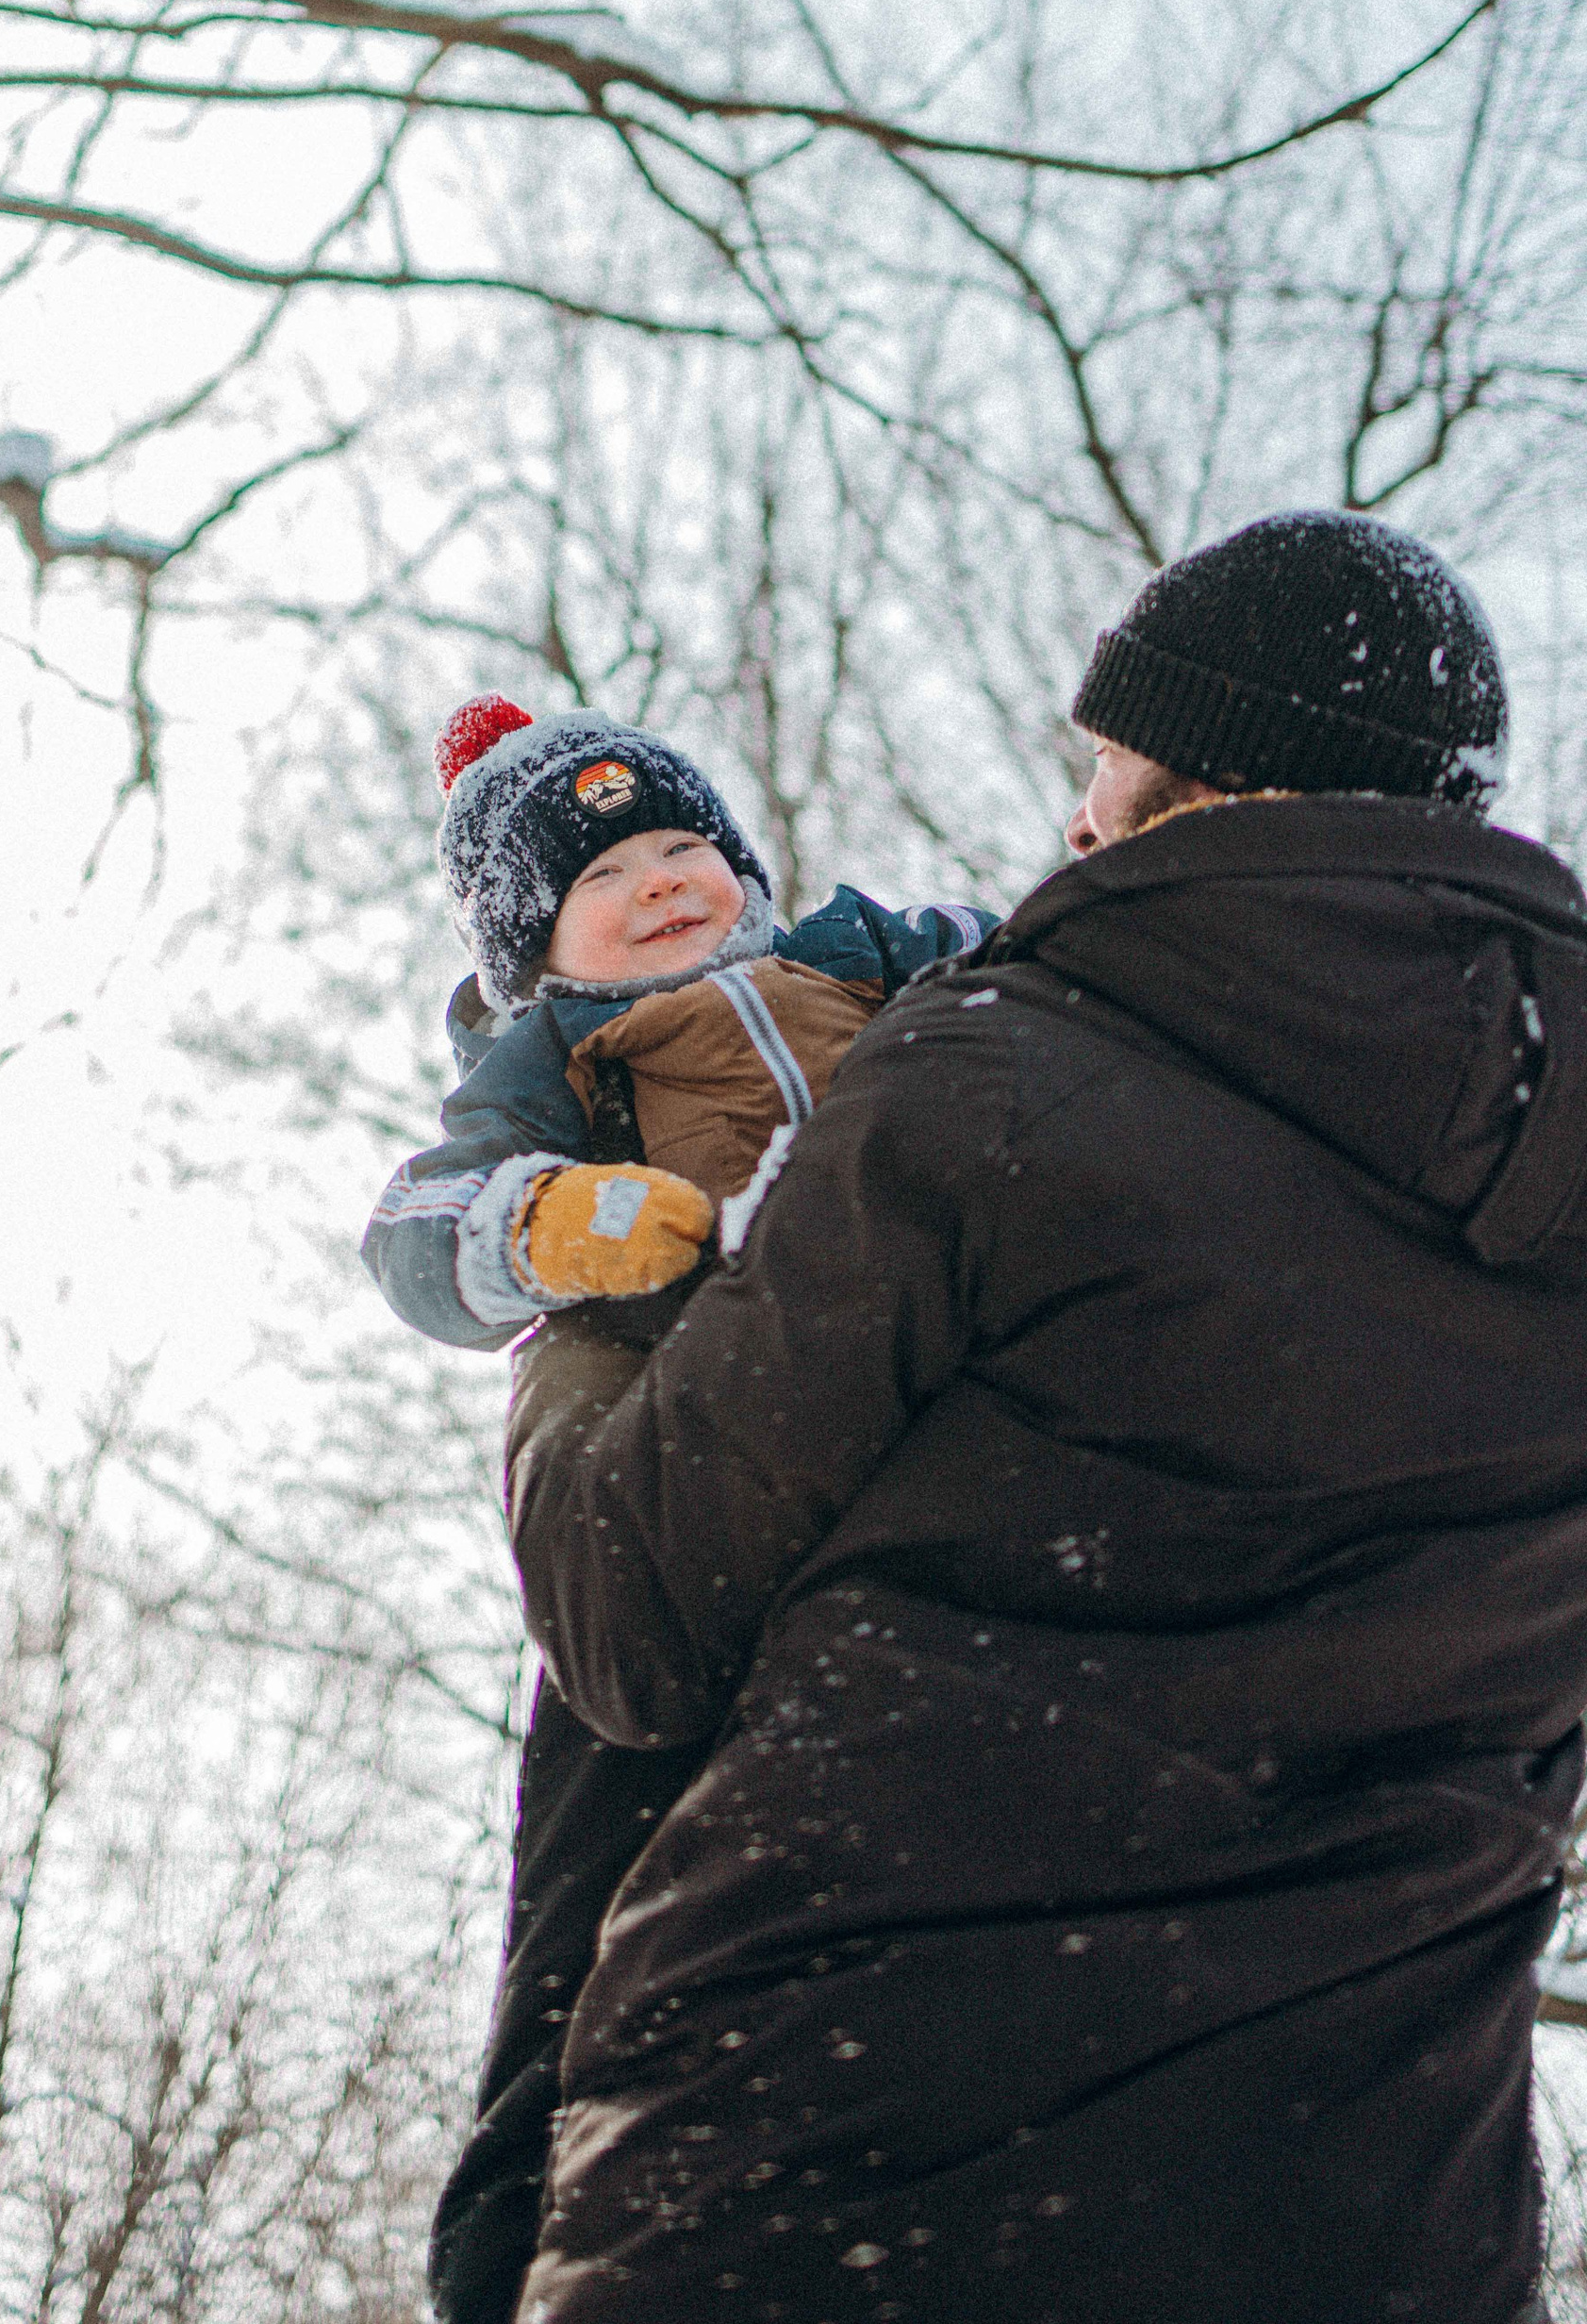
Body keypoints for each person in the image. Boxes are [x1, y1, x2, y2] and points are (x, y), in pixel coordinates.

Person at [501, 510, 1587, 2324]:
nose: (1075, 816)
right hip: (1377, 2227)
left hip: (848, 2183)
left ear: (1211, 779)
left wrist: (577, 1283)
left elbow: (631, 1612)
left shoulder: (987, 1081)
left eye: (1112, 762)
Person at [357, 693, 993, 2321]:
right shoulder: (550, 1060)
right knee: (599, 1855)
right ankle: (518, 2231)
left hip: (912, 1416)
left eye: (681, 840)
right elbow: (414, 1227)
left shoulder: (869, 954)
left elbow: (1055, 964)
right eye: (606, 873)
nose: (662, 878)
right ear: (536, 952)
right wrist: (554, 1221)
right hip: (674, 1442)